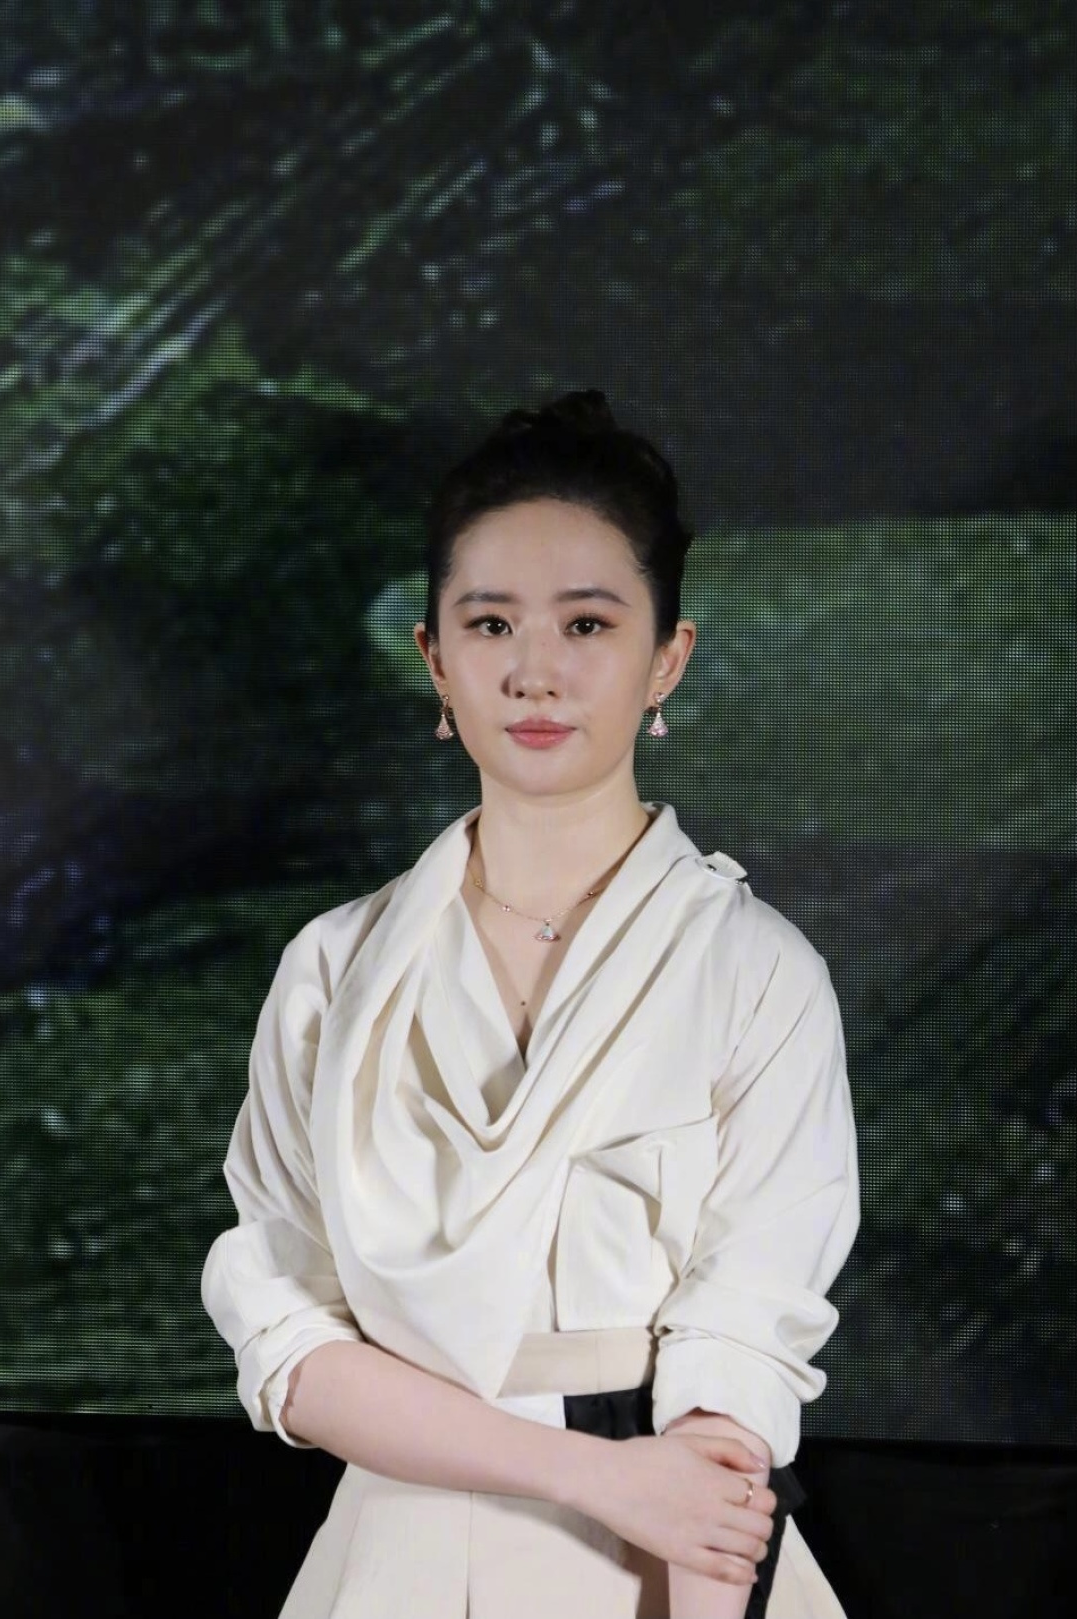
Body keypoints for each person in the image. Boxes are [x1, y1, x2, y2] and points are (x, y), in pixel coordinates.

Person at [201, 390, 860, 1618]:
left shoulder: (759, 973)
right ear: (436, 658)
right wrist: (591, 1475)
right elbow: (285, 1334)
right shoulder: (333, 971)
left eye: (588, 622)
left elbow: (742, 1349)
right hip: (401, 1550)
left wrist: (680, 1554)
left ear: (668, 656)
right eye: (492, 621)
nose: (536, 670)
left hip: (664, 1564)